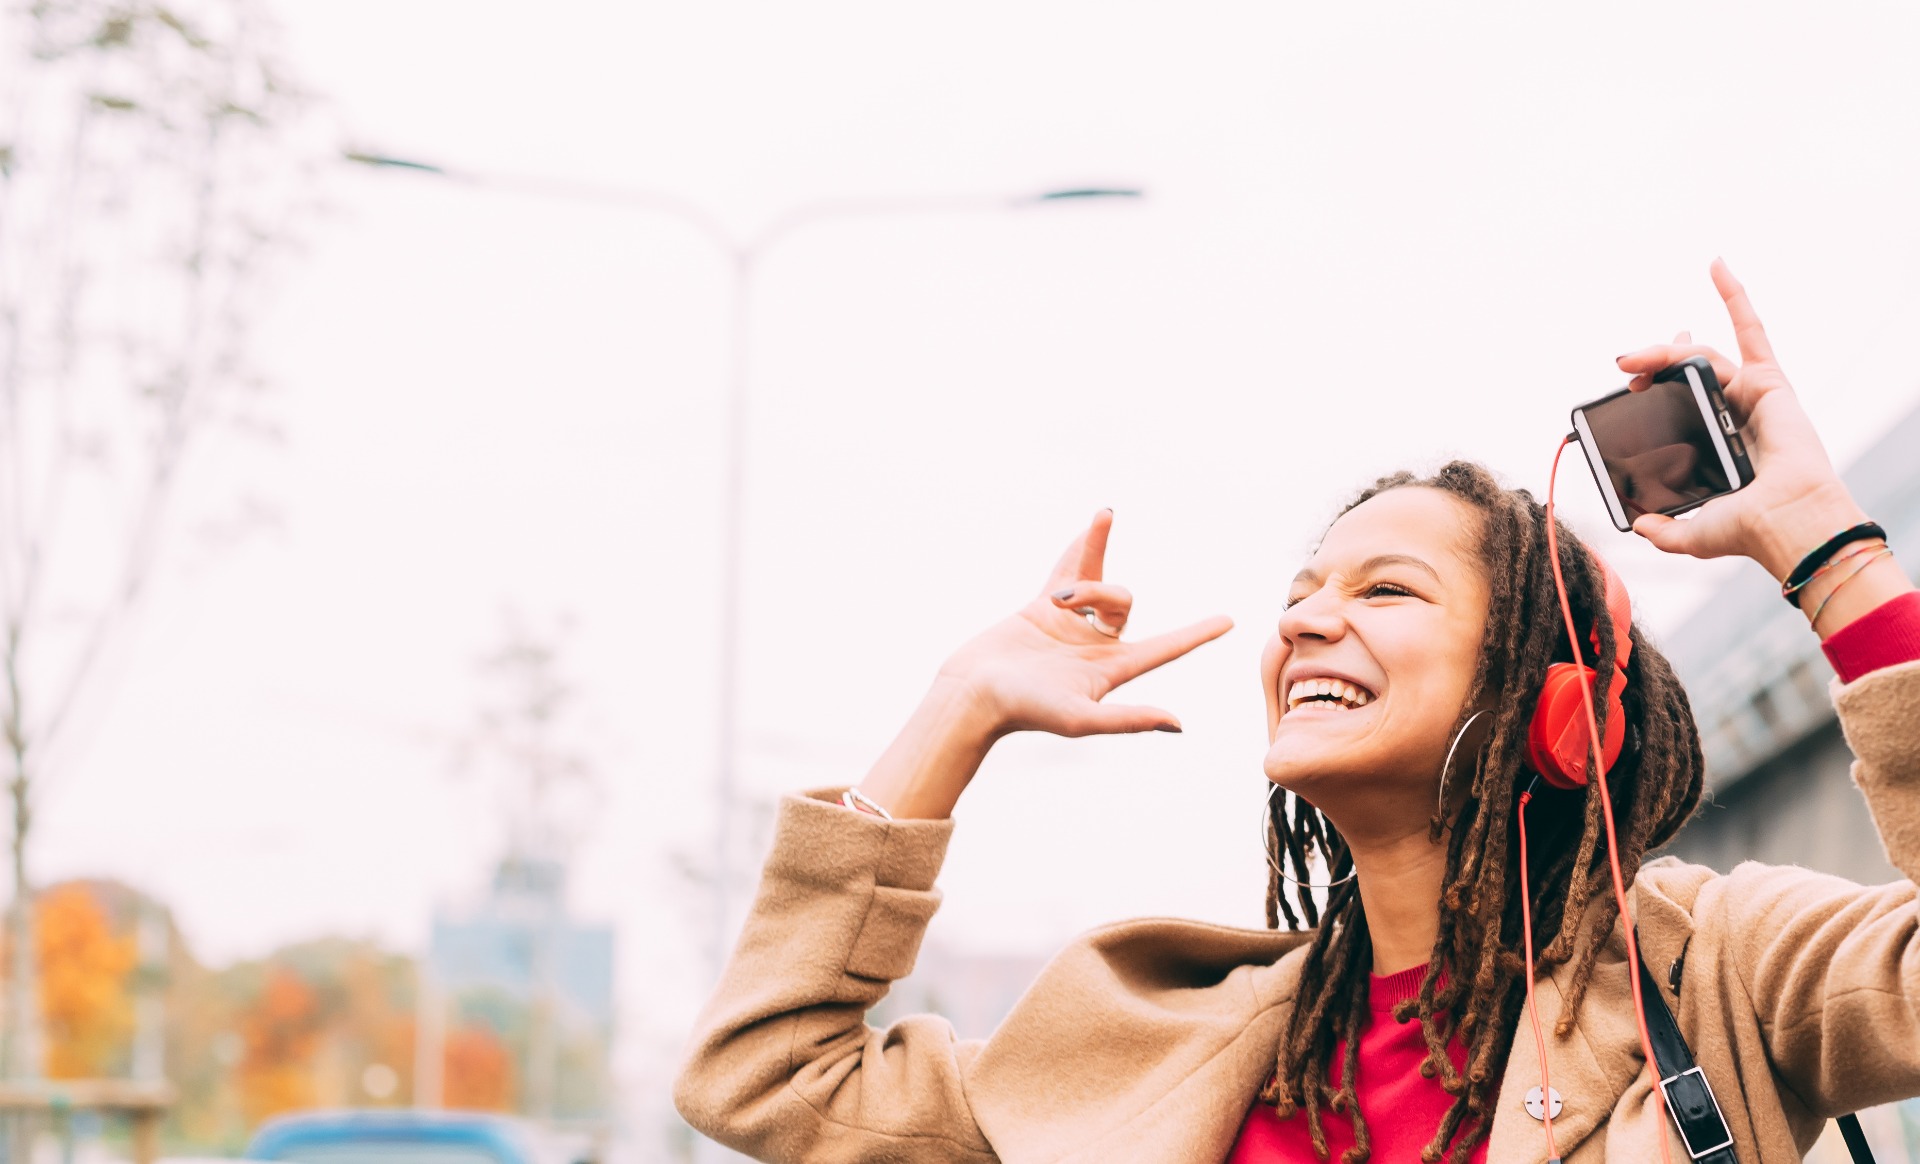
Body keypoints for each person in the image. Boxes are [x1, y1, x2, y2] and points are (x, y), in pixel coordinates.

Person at [673, 261, 1920, 1163]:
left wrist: (1831, 553)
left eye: (1386, 589)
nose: (1306, 622)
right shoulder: (1148, 1037)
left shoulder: (1714, 975)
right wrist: (958, 712)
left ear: (1556, 711)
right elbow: (767, 1079)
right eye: (1302, 594)